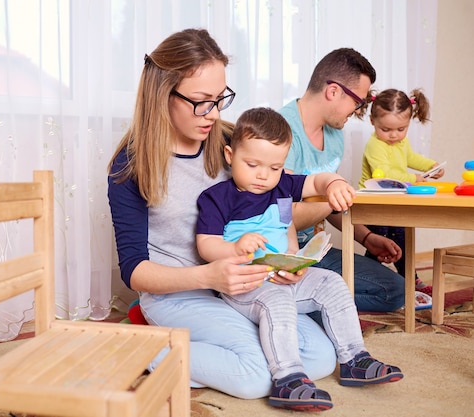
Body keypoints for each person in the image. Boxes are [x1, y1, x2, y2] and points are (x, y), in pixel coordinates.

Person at [107, 28, 338, 400]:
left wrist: (288, 259)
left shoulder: (232, 142)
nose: (212, 114)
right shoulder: (132, 166)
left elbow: (280, 197)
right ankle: (147, 348)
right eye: (201, 101)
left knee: (320, 357)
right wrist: (210, 274)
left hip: (242, 290)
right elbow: (133, 270)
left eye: (220, 99)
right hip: (180, 295)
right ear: (162, 94)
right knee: (257, 377)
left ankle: (198, 347)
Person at [196, 107, 403, 412]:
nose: (263, 175)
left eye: (275, 167)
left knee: (332, 282)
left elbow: (318, 182)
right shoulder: (218, 197)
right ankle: (288, 377)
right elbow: (205, 245)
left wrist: (333, 185)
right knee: (276, 300)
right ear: (230, 155)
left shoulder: (281, 186)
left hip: (284, 275)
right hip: (245, 284)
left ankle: (354, 358)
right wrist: (236, 248)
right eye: (252, 164)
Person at [279, 48, 405, 312]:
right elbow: (283, 217)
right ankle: (304, 302)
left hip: (314, 248)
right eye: (358, 101)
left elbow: (330, 205)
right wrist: (331, 201)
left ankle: (311, 302)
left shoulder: (335, 136)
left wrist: (367, 238)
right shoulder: (280, 130)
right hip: (281, 249)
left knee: (395, 291)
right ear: (333, 91)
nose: (358, 110)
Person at [360, 88, 444, 290]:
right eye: (386, 130)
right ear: (373, 121)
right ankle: (367, 279)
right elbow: (385, 174)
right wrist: (413, 178)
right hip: (374, 202)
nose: (394, 135)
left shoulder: (401, 142)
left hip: (395, 199)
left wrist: (430, 166)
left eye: (401, 129)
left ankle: (407, 277)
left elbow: (411, 157)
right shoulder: (375, 145)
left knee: (401, 238)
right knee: (379, 243)